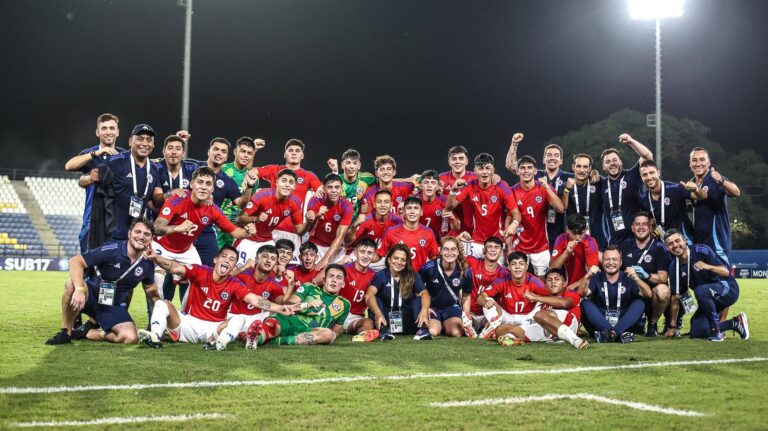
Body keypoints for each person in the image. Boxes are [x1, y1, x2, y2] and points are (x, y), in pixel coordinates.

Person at [138, 246, 294, 350]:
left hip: (214, 329)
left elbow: (255, 300)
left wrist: (280, 308)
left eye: (232, 259)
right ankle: (155, 337)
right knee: (161, 304)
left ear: (234, 266)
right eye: (224, 256)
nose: (227, 260)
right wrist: (156, 258)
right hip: (188, 323)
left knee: (239, 319)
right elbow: (174, 267)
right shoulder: (200, 271)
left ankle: (219, 343)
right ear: (216, 259)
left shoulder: (235, 283)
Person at [151, 167, 256, 303]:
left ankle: (186, 318)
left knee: (199, 281)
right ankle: (155, 321)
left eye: (208, 184)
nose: (203, 187)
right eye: (200, 182)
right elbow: (157, 228)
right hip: (161, 246)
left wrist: (248, 231)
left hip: (186, 250)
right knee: (158, 279)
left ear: (212, 189)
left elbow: (235, 232)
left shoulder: (212, 209)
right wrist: (178, 228)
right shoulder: (177, 199)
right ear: (192, 184)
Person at [45, 219, 158, 345]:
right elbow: (75, 261)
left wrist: (162, 306)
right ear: (129, 233)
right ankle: (66, 332)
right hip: (90, 296)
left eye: (146, 234)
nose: (141, 237)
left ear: (151, 239)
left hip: (111, 306)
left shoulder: (148, 263)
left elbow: (150, 289)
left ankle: (86, 332)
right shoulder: (113, 249)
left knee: (131, 338)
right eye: (138, 232)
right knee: (71, 284)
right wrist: (79, 289)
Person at [82, 124, 161, 247]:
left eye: (149, 140)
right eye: (140, 138)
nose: (145, 143)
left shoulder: (154, 168)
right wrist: (89, 178)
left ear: (153, 145)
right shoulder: (116, 160)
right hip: (112, 233)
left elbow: (152, 201)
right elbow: (80, 179)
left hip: (136, 236)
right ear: (130, 141)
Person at [664, 229, 749, 341]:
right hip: (708, 299)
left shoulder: (701, 250)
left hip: (728, 290)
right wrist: (672, 327)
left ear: (684, 240)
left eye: (677, 240)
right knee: (696, 331)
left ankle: (716, 332)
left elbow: (725, 272)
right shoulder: (673, 267)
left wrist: (707, 266)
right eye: (670, 244)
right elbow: (675, 298)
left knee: (700, 290)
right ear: (667, 248)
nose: (675, 245)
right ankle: (735, 323)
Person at [188, 135, 258, 266]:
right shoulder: (192, 167)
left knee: (208, 270)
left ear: (226, 157)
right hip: (185, 226)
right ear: (209, 151)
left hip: (210, 229)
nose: (219, 153)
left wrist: (249, 186)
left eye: (223, 151)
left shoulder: (227, 181)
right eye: (216, 149)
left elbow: (241, 204)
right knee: (173, 272)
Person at [247, 264, 351, 346]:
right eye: (331, 276)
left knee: (328, 334)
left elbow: (335, 333)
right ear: (324, 280)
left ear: (343, 283)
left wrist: (328, 337)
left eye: (338, 278)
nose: (334, 280)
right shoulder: (309, 288)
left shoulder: (345, 305)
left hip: (307, 332)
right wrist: (308, 304)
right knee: (272, 326)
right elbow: (288, 305)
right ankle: (257, 337)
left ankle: (277, 341)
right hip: (290, 320)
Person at [65, 113, 127, 252]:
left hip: (117, 219)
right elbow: (69, 166)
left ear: (117, 132)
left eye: (112, 128)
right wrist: (97, 153)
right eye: (104, 128)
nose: (108, 132)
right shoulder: (89, 154)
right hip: (92, 218)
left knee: (115, 267)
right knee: (87, 265)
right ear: (97, 132)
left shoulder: (125, 156)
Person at [255, 138, 323, 261]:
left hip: (295, 230)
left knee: (292, 268)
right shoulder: (274, 169)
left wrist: (320, 190)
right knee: (267, 263)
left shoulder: (308, 175)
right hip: (272, 229)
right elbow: (252, 172)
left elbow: (321, 189)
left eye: (297, 151)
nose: (294, 153)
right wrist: (254, 151)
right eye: (290, 150)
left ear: (302, 156)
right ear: (285, 154)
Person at [445, 153, 520, 259]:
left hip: (497, 241)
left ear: (493, 170)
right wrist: (452, 190)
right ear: (475, 171)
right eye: (480, 168)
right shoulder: (470, 185)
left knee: (497, 274)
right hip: (476, 242)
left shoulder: (502, 186)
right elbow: (449, 207)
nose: (484, 172)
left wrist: (514, 224)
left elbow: (516, 213)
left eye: (488, 168)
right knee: (471, 273)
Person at [507, 136, 573, 251]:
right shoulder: (535, 175)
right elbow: (511, 166)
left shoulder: (569, 177)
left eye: (556, 155)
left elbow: (584, 176)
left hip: (562, 227)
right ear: (543, 159)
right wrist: (514, 144)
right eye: (549, 155)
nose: (552, 158)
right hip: (541, 230)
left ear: (561, 160)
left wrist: (594, 175)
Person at [235, 169, 311, 266]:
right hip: (248, 239)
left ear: (294, 186)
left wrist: (309, 222)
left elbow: (299, 231)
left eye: (291, 182)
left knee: (272, 272)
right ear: (277, 182)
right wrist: (256, 219)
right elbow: (238, 219)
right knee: (240, 272)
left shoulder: (295, 203)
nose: (287, 184)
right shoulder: (262, 196)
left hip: (267, 240)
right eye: (284, 181)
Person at [499, 268, 589, 349]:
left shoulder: (570, 294)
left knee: (540, 315)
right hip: (548, 328)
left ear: (565, 283)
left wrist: (535, 297)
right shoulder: (544, 302)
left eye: (557, 279)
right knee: (501, 329)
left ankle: (575, 340)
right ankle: (511, 338)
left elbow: (564, 303)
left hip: (570, 324)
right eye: (549, 280)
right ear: (545, 285)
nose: (553, 282)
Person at [578, 245, 652, 343]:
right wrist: (587, 276)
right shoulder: (596, 277)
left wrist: (637, 278)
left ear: (621, 262)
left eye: (614, 259)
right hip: (601, 320)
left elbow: (649, 295)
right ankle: (617, 334)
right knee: (585, 303)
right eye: (607, 259)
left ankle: (609, 334)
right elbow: (581, 293)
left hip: (623, 319)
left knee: (640, 302)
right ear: (602, 262)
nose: (611, 263)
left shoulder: (629, 277)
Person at [509, 155, 565, 275]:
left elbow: (560, 208)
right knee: (518, 279)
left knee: (542, 282)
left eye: (529, 167)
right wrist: (508, 247)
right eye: (523, 168)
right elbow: (509, 218)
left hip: (541, 247)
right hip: (519, 246)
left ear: (535, 171)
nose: (526, 171)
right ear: (518, 171)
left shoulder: (543, 187)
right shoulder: (512, 191)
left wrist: (546, 186)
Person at [618, 212, 671, 337]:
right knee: (633, 329)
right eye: (637, 224)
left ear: (650, 227)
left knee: (663, 291)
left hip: (651, 293)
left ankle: (652, 324)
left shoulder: (660, 248)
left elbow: (663, 278)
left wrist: (645, 275)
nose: (641, 227)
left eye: (644, 224)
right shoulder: (624, 246)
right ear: (632, 228)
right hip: (631, 292)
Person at [476, 251, 549, 340]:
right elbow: (480, 297)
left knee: (545, 304)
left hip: (528, 317)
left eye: (521, 264)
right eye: (514, 264)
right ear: (509, 267)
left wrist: (536, 298)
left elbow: (550, 298)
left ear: (526, 267)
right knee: (487, 299)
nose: (517, 267)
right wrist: (484, 301)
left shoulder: (534, 281)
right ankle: (494, 326)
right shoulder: (502, 281)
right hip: (507, 316)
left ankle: (500, 330)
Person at [366, 244, 432, 340]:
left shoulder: (412, 275)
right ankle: (383, 331)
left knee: (419, 299)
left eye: (403, 260)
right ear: (389, 259)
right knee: (375, 298)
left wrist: (424, 311)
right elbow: (368, 294)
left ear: (406, 262)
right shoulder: (381, 275)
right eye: (396, 258)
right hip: (386, 318)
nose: (399, 262)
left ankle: (422, 329)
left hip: (406, 319)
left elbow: (425, 294)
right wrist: (378, 314)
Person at [598, 133, 654, 246]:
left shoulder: (632, 175)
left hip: (637, 238)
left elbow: (648, 156)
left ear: (621, 162)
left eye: (615, 160)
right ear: (603, 166)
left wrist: (631, 141)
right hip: (615, 241)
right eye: (607, 162)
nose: (612, 163)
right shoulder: (601, 183)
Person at [689, 147, 740, 266]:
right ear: (690, 163)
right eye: (694, 160)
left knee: (721, 277)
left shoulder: (714, 178)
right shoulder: (690, 183)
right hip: (698, 241)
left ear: (709, 162)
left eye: (702, 159)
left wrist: (722, 180)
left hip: (717, 240)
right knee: (702, 279)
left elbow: (736, 192)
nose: (698, 163)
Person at [230, 245, 287, 349]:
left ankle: (250, 336)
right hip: (234, 317)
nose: (269, 261)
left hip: (255, 321)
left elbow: (284, 304)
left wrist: (290, 284)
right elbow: (223, 279)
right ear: (256, 259)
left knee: (278, 316)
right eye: (265, 256)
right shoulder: (242, 275)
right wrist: (243, 267)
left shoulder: (274, 284)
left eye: (273, 259)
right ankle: (245, 336)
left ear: (275, 264)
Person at [418, 236, 474, 338]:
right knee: (433, 331)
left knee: (456, 333)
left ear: (458, 252)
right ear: (440, 251)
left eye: (453, 249)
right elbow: (417, 289)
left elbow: (466, 295)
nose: (449, 253)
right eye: (446, 249)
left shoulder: (465, 271)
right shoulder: (429, 267)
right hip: (432, 308)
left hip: (451, 308)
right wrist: (424, 308)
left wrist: (466, 315)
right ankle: (439, 325)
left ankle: (446, 324)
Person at [218, 137, 266, 248]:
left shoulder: (253, 179)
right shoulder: (222, 169)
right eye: (242, 151)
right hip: (217, 223)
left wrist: (250, 221)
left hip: (236, 227)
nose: (245, 155)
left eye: (249, 153)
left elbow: (249, 206)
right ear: (235, 152)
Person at [639, 159, 703, 241]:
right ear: (641, 177)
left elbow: (700, 197)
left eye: (651, 173)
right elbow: (651, 222)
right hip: (663, 242)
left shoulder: (676, 189)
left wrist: (696, 190)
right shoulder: (643, 199)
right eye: (644, 175)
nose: (649, 177)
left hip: (684, 240)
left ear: (658, 173)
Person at [376, 195, 439, 271]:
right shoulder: (391, 231)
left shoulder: (428, 233)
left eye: (416, 208)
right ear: (404, 211)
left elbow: (435, 257)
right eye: (409, 208)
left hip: (418, 279)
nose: (412, 212)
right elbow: (379, 254)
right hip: (397, 279)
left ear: (421, 212)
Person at [345, 189, 402, 271]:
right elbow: (347, 241)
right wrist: (356, 224)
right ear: (374, 204)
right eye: (379, 202)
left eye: (386, 202)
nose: (382, 205)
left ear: (391, 205)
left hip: (383, 258)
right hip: (361, 255)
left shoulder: (397, 221)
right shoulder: (366, 219)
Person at [305, 173, 354, 268]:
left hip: (336, 248)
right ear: (323, 189)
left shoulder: (347, 206)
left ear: (341, 188)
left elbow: (340, 236)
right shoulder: (314, 201)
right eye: (330, 187)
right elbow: (309, 229)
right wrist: (317, 216)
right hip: (316, 244)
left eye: (337, 187)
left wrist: (325, 259)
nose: (334, 191)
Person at [465, 237, 510, 333]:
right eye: (489, 247)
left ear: (501, 252)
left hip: (489, 314)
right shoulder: (472, 262)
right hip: (470, 312)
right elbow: (452, 257)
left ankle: (492, 326)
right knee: (456, 327)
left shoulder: (505, 274)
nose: (493, 250)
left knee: (493, 303)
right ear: (484, 251)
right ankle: (467, 324)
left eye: (496, 247)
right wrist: (457, 240)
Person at [337, 239, 379, 341]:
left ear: (374, 255)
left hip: (354, 318)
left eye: (369, 253)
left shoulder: (374, 276)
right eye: (362, 252)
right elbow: (319, 280)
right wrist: (338, 264)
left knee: (368, 322)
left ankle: (363, 336)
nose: (365, 256)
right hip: (336, 312)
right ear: (355, 252)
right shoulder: (344, 270)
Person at [563, 153, 605, 250]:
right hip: (574, 239)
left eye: (585, 167)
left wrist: (597, 175)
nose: (582, 170)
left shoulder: (598, 184)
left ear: (590, 169)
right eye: (578, 166)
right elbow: (562, 207)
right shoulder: (567, 185)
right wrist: (567, 190)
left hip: (597, 239)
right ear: (573, 167)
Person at [439, 146, 477, 244]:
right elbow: (421, 182)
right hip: (450, 230)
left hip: (473, 230)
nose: (457, 162)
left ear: (466, 161)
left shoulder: (475, 178)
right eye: (454, 159)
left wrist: (494, 176)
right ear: (449, 162)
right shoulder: (441, 179)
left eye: (461, 158)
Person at [550, 213, 600, 287]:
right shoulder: (561, 239)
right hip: (567, 283)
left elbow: (593, 273)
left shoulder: (590, 242)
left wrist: (573, 286)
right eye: (574, 233)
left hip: (585, 285)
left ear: (586, 229)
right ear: (567, 229)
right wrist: (566, 252)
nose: (577, 237)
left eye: (581, 234)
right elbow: (552, 268)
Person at [327, 149, 378, 219]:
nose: (352, 166)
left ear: (359, 166)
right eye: (348, 163)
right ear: (342, 165)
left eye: (355, 163)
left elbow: (384, 183)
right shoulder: (337, 180)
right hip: (339, 222)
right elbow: (328, 194)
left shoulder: (367, 178)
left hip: (356, 224)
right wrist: (335, 171)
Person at [151, 134, 199, 204]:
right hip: (161, 212)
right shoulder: (156, 168)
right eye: (170, 148)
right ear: (164, 151)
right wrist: (170, 194)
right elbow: (155, 199)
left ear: (183, 153)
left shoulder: (193, 169)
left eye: (178, 149)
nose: (174, 152)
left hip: (186, 213)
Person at [418, 170, 453, 242]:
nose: (429, 186)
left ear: (437, 187)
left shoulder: (446, 201)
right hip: (417, 241)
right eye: (426, 182)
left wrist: (452, 218)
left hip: (439, 243)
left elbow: (457, 227)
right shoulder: (413, 201)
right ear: (421, 186)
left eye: (433, 183)